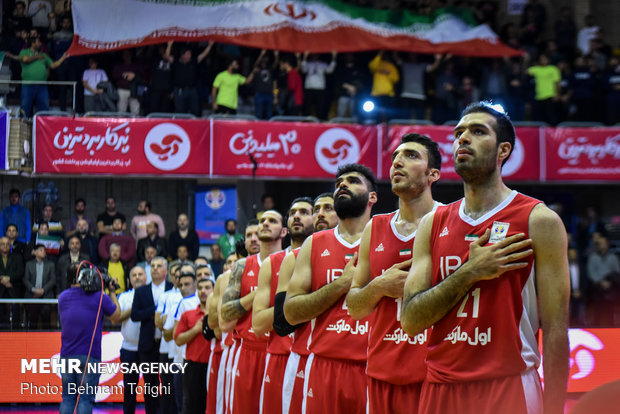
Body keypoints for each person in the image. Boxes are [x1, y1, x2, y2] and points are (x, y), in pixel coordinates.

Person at [400, 102, 569, 414]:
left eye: (478, 132)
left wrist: (555, 408)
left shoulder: (538, 220)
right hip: (440, 388)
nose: (463, 139)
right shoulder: (432, 223)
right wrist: (470, 271)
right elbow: (410, 320)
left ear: (503, 150)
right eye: (459, 133)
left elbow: (557, 331)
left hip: (508, 387)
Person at [345, 134, 441, 413]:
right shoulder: (375, 228)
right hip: (382, 373)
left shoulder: (450, 221)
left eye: (411, 156)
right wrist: (379, 286)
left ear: (433, 174)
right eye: (396, 156)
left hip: (434, 375)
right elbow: (354, 308)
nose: (398, 161)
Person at [284, 164, 378, 413]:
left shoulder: (386, 236)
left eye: (353, 181)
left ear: (373, 197)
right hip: (324, 366)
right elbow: (290, 313)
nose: (342, 185)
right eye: (338, 183)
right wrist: (340, 285)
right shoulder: (313, 244)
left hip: (374, 366)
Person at [221, 211, 287, 414]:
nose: (265, 224)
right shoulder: (242, 266)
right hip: (249, 351)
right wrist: (255, 296)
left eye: (272, 220)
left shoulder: (293, 260)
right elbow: (225, 316)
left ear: (284, 231)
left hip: (282, 352)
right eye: (262, 221)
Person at [252, 197, 314, 414]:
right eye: (293, 213)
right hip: (279, 357)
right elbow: (258, 324)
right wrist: (295, 306)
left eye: (305, 212)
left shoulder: (325, 255)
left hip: (314, 357)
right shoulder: (272, 263)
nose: (297, 216)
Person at [58, 263, 120, 414]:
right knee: (85, 398)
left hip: (66, 355)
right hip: (89, 356)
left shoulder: (63, 297)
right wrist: (111, 291)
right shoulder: (99, 297)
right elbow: (116, 317)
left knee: (68, 397)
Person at [130, 256, 174, 414]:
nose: (155, 268)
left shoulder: (172, 288)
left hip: (168, 344)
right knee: (150, 384)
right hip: (148, 344)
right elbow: (134, 315)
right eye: (152, 266)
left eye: (158, 265)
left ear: (166, 270)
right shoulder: (141, 290)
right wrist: (155, 310)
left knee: (168, 383)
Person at [175, 276, 215, 414]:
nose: (203, 291)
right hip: (193, 366)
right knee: (191, 406)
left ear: (215, 290)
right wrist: (195, 330)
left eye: (207, 288)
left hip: (214, 365)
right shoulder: (188, 314)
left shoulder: (219, 316)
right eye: (200, 288)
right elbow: (178, 339)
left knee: (213, 404)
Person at [117, 266, 147, 414]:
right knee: (129, 389)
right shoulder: (124, 297)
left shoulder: (153, 295)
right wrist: (136, 304)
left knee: (151, 388)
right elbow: (118, 317)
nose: (137, 277)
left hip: (149, 348)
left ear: (145, 278)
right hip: (129, 348)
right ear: (129, 280)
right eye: (134, 275)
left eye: (140, 274)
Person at [19, 34, 67, 117]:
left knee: (44, 108)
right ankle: (22, 127)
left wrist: (63, 57)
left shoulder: (44, 55)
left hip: (42, 86)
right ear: (32, 43)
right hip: (28, 85)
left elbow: (53, 65)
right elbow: (25, 59)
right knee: (25, 107)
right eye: (38, 42)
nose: (40, 44)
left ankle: (43, 128)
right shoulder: (24, 52)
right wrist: (37, 56)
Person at [23, 243, 56, 329]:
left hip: (46, 296)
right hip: (32, 296)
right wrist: (34, 289)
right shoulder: (28, 264)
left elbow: (53, 280)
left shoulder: (50, 264)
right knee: (33, 321)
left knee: (46, 321)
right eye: (41, 250)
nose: (43, 252)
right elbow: (25, 279)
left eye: (44, 250)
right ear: (35, 252)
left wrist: (43, 290)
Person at [0, 236, 24, 328]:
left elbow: (20, 271)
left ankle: (15, 333)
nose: (5, 246)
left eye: (7, 244)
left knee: (15, 311)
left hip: (13, 287)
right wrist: (2, 280)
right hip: (0, 289)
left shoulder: (17, 257)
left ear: (10, 246)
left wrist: (9, 278)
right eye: (2, 244)